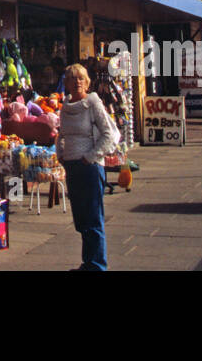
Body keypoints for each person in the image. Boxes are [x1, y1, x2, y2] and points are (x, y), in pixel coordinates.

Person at [57, 64, 118, 271]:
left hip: (90, 168)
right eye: (72, 79)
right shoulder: (65, 106)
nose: (77, 82)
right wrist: (61, 154)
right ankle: (88, 262)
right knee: (81, 219)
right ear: (66, 83)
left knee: (93, 218)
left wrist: (90, 157)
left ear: (87, 81)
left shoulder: (93, 103)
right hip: (72, 167)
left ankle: (97, 265)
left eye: (81, 78)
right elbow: (62, 134)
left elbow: (110, 135)